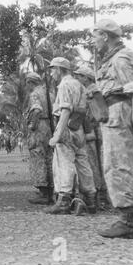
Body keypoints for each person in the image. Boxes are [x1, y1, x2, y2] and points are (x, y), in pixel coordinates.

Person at [90, 19, 133, 238]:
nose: (93, 41)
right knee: (113, 165)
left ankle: (130, 220)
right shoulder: (110, 59)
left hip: (120, 113)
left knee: (119, 165)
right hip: (110, 113)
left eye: (95, 36)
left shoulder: (121, 58)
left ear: (105, 36)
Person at [43, 58, 97, 215]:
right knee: (83, 163)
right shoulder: (79, 85)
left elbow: (65, 110)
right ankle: (91, 199)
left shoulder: (65, 85)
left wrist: (57, 135)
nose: (52, 73)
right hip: (78, 128)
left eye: (53, 70)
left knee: (64, 163)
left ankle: (64, 201)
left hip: (66, 127)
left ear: (60, 69)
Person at [73, 66, 109, 209]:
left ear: (86, 78)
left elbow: (98, 113)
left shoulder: (92, 91)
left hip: (94, 131)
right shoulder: (87, 91)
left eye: (79, 76)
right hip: (92, 130)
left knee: (94, 162)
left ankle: (100, 195)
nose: (77, 79)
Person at [24, 72, 55, 205]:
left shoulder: (35, 94)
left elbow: (36, 109)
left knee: (38, 157)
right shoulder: (49, 94)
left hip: (39, 127)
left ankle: (43, 192)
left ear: (31, 83)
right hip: (49, 126)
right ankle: (51, 189)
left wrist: (32, 125)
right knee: (49, 157)